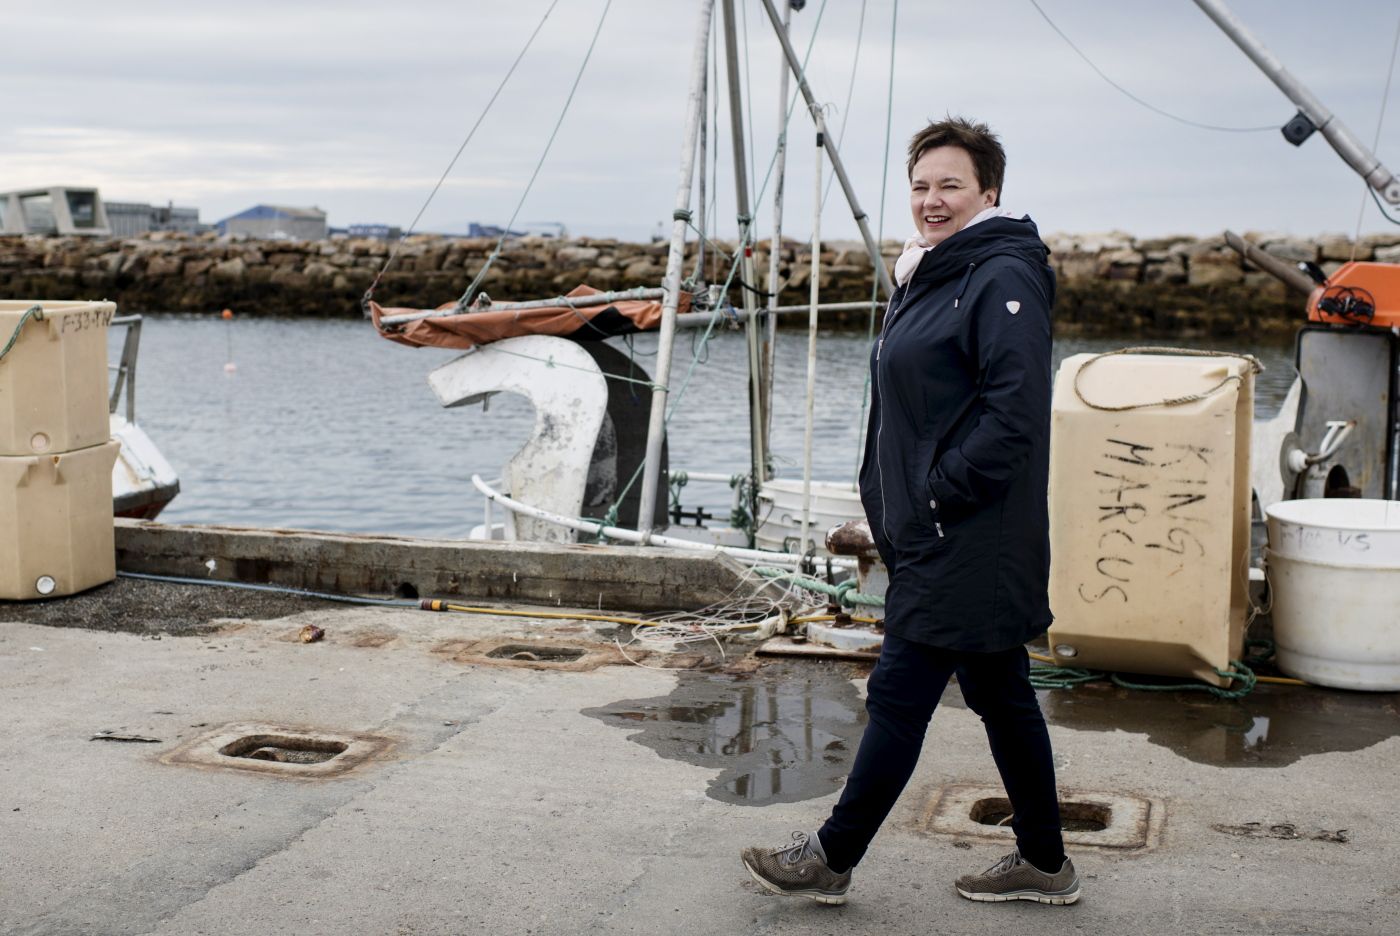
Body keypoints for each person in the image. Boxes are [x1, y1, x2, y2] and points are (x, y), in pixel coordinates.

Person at [741, 116, 1078, 907]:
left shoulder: (1000, 275)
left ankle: (830, 856)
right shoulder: (933, 271)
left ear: (989, 191)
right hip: (942, 532)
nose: (932, 200)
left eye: (950, 185)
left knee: (898, 695)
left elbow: (1015, 416)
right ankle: (1046, 863)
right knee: (1001, 694)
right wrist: (897, 508)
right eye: (921, 186)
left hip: (966, 536)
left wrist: (930, 496)